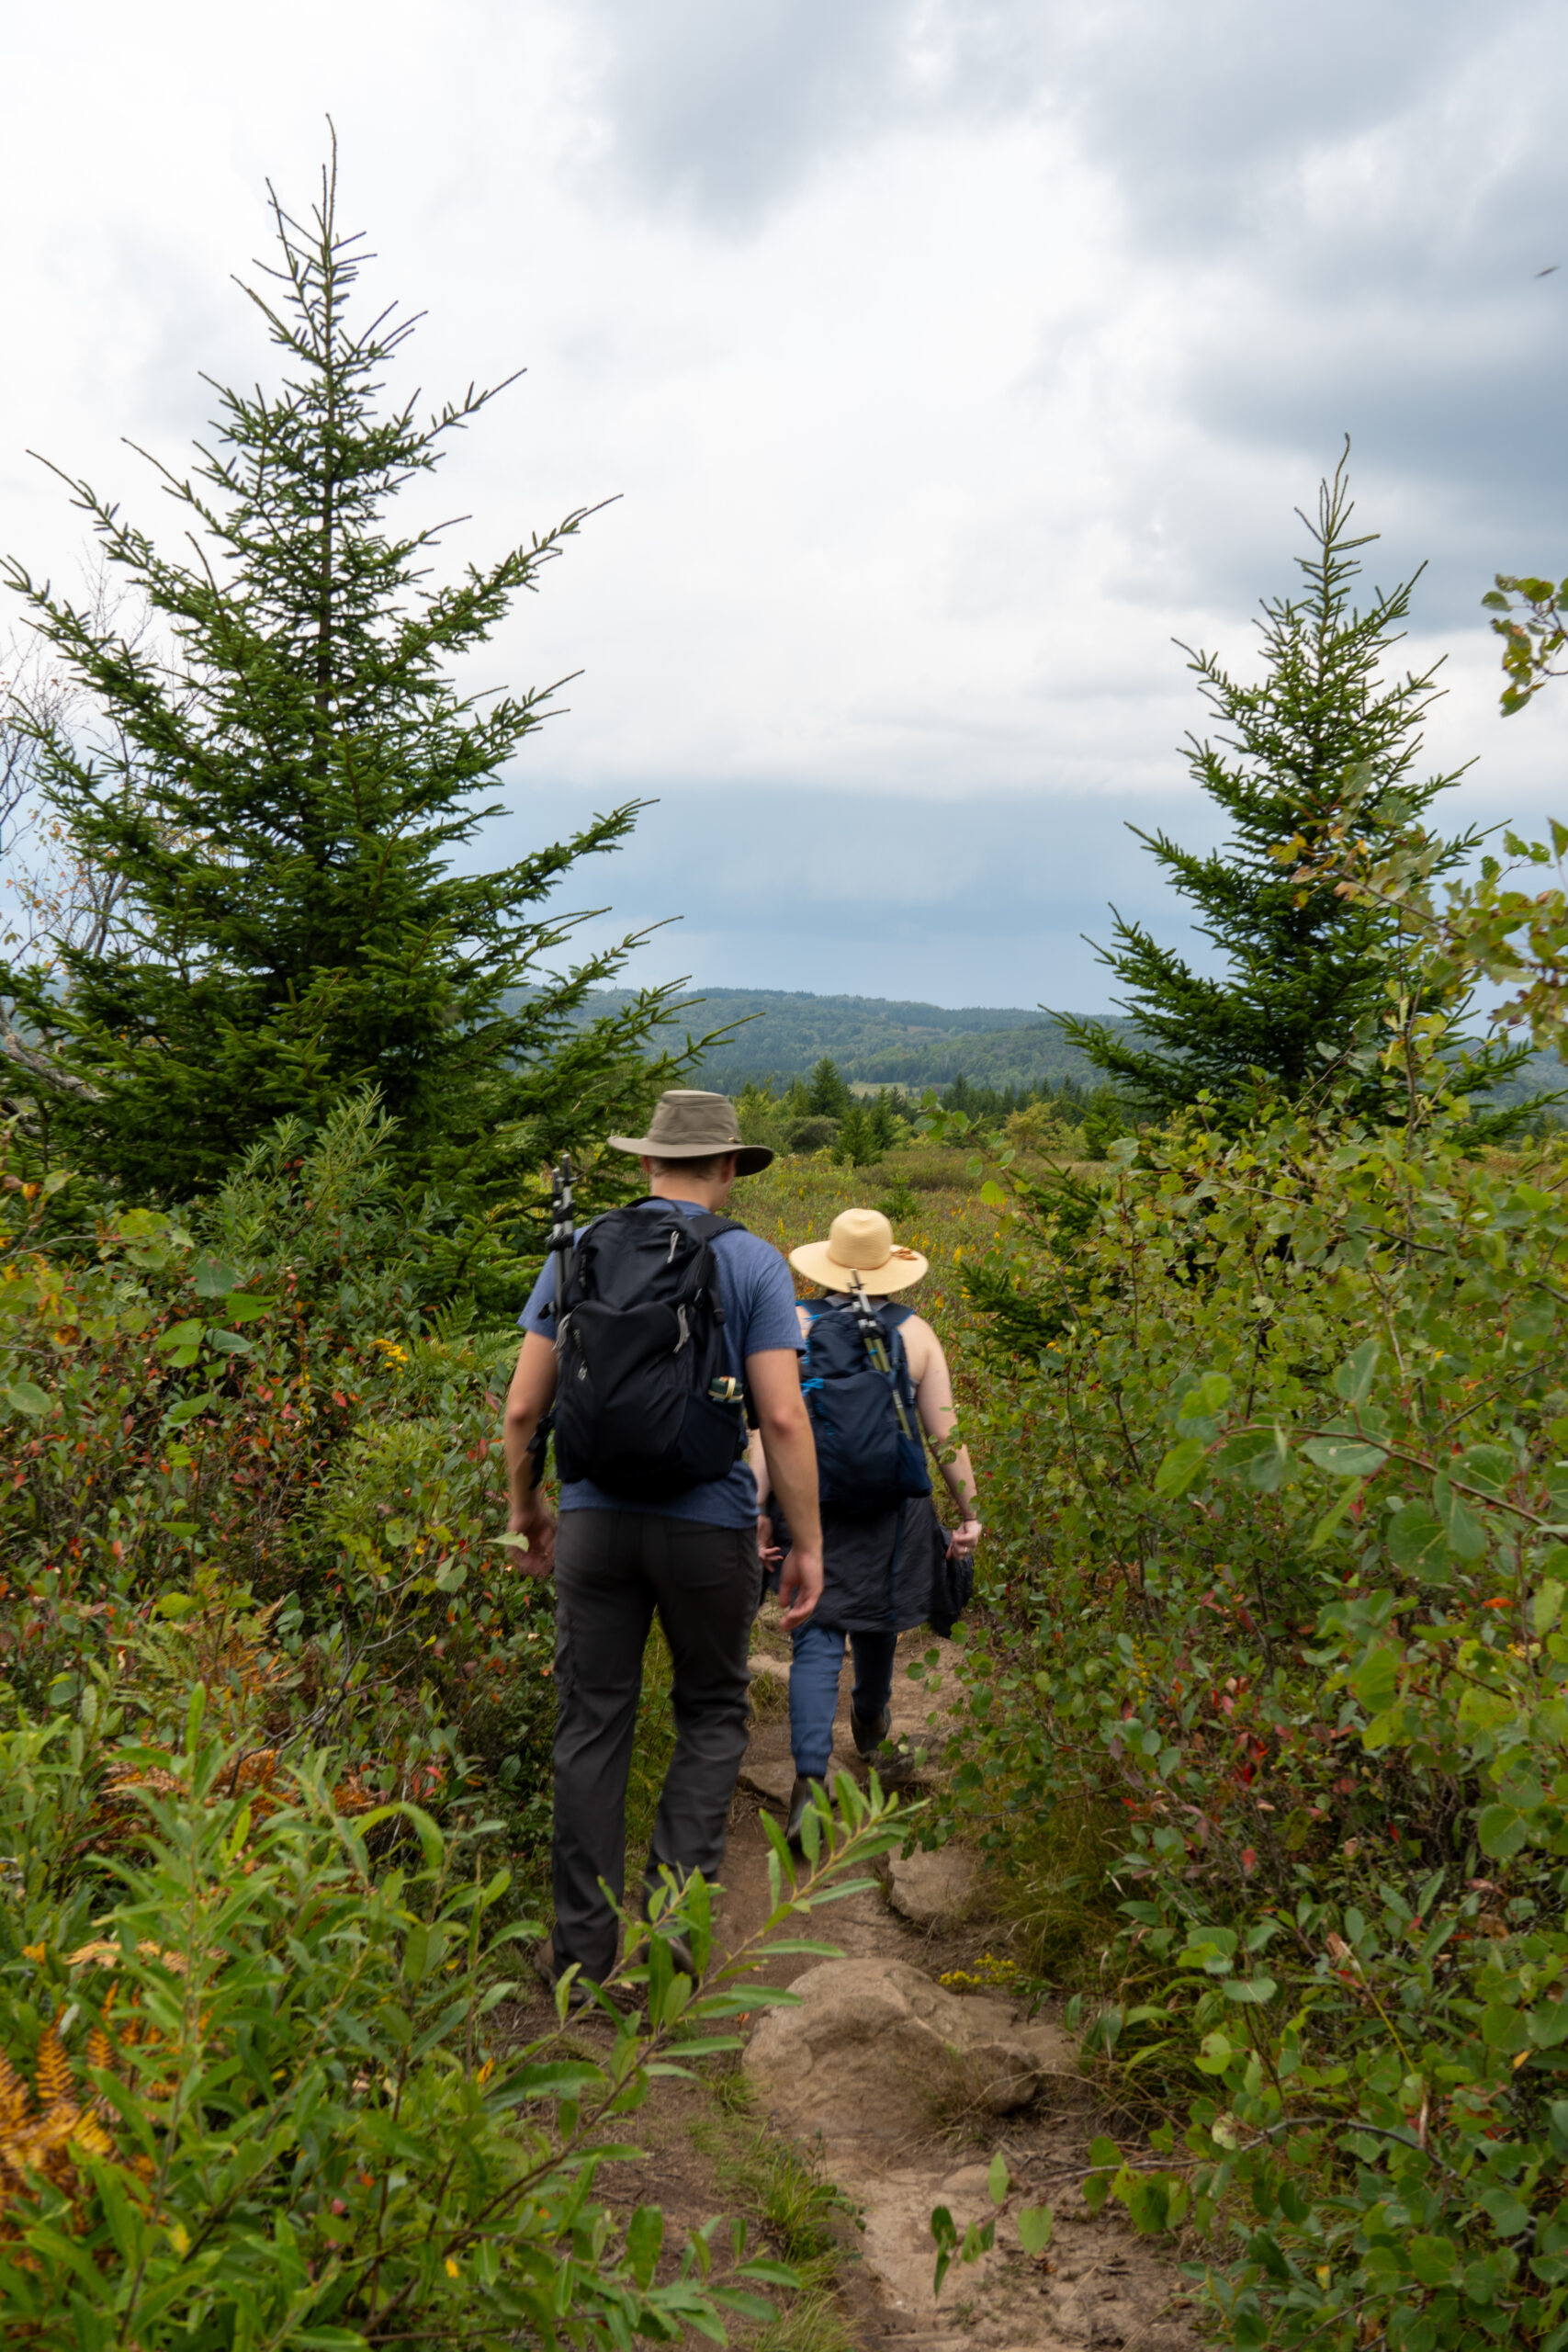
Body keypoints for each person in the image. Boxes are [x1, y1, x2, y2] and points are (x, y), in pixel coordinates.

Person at [502, 1090, 824, 1995]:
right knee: (712, 1717)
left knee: (591, 1726)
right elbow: (786, 1422)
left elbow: (525, 1405)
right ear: (727, 1168)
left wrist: (527, 1507)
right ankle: (672, 1945)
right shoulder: (755, 1265)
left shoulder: (580, 1250)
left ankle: (578, 1957)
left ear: (646, 1163)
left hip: (594, 1525)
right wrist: (806, 1540)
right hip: (709, 1524)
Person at [753, 1206, 981, 1845]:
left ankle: (807, 1784)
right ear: (890, 1271)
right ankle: (870, 1723)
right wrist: (969, 1515)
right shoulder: (918, 1335)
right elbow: (945, 1436)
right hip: (895, 1511)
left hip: (810, 1504)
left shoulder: (792, 1325)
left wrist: (756, 1511)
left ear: (825, 1263)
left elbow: (767, 1429)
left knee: (816, 1634)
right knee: (878, 1619)